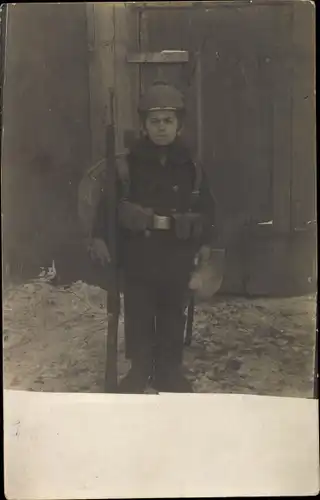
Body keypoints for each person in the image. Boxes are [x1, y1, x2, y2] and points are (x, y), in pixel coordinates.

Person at [90, 80, 217, 393]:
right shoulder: (127, 166)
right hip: (140, 255)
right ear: (144, 126)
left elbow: (208, 210)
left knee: (173, 312)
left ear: (179, 125)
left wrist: (205, 245)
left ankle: (169, 370)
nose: (162, 128)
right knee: (139, 312)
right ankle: (140, 369)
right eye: (155, 121)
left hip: (177, 254)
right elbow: (106, 207)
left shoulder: (191, 168)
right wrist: (99, 237)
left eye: (169, 121)